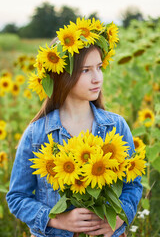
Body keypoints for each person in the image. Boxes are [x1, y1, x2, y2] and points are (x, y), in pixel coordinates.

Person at [6, 17, 142, 237]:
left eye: (99, 67)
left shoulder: (116, 126)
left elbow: (133, 185)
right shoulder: (37, 134)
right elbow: (17, 197)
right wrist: (58, 220)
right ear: (62, 76)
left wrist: (116, 219)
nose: (97, 78)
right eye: (86, 71)